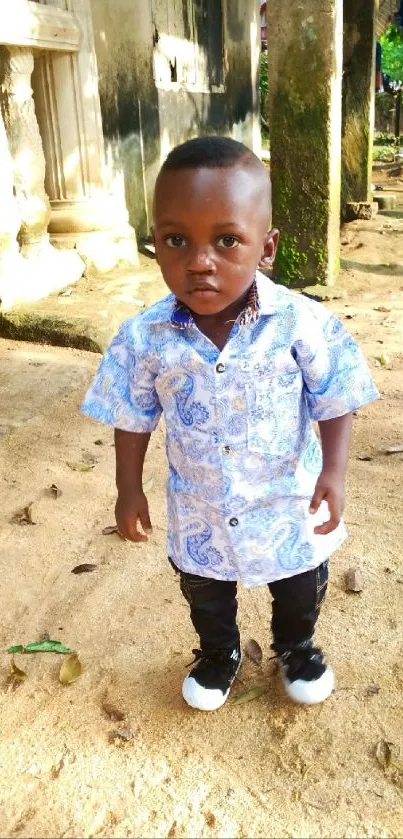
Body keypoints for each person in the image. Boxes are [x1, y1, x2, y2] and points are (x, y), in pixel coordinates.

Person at [82, 136, 378, 712]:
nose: (199, 260)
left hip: (285, 501)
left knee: (298, 579)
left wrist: (335, 473)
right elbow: (131, 415)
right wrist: (127, 488)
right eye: (176, 240)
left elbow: (336, 395)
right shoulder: (144, 339)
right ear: (155, 245)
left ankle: (297, 647)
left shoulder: (300, 323)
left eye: (226, 240)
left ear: (265, 248)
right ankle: (218, 653)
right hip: (200, 509)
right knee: (205, 590)